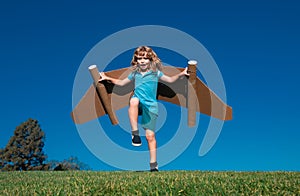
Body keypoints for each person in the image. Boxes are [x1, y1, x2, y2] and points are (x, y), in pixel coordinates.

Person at [99, 46, 189, 172]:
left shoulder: (155, 74)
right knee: (134, 100)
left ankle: (153, 165)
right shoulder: (134, 74)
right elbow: (121, 83)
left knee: (150, 136)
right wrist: (107, 78)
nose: (142, 61)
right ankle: (135, 133)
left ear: (150, 60)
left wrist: (181, 74)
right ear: (136, 60)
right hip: (138, 102)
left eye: (145, 58)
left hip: (151, 106)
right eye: (140, 58)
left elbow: (170, 80)